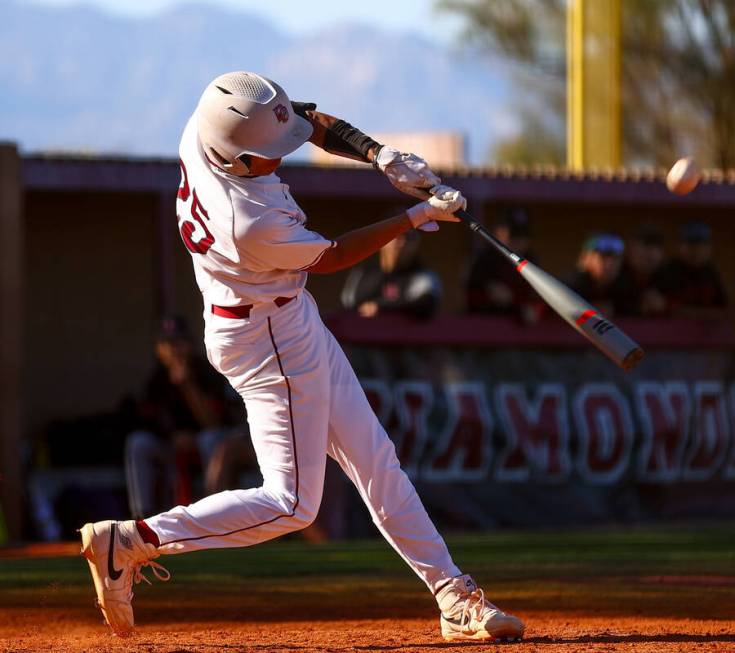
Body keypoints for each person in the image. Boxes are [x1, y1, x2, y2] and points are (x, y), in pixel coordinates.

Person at [79, 71, 524, 643]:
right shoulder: (247, 221)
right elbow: (335, 256)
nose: (280, 159)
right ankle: (138, 539)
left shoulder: (204, 128)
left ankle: (452, 595)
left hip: (284, 316)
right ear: (237, 160)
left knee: (375, 459)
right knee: (291, 504)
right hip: (265, 340)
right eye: (267, 155)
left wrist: (379, 155)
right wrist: (417, 217)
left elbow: (305, 117)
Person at [124, 316, 241, 518]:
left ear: (190, 344)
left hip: (205, 442)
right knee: (138, 443)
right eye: (168, 343)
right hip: (171, 444)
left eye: (179, 342)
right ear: (159, 349)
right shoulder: (156, 380)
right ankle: (141, 517)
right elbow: (147, 421)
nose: (174, 349)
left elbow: (214, 423)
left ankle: (212, 515)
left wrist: (188, 386)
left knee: (209, 440)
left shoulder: (208, 372)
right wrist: (172, 437)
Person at [340, 228, 443, 319]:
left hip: (407, 338)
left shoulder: (424, 275)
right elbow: (348, 303)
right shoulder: (363, 271)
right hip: (365, 338)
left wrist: (382, 306)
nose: (401, 243)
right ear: (382, 240)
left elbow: (426, 305)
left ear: (417, 244)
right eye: (396, 236)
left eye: (409, 237)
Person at [464, 207, 544, 323]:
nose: (519, 240)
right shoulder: (485, 259)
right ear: (498, 232)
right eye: (514, 235)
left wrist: (533, 308)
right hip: (487, 326)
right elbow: (469, 298)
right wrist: (488, 294)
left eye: (523, 235)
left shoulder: (530, 260)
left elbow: (538, 300)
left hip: (522, 330)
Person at [659, 220, 727, 318]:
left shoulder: (710, 273)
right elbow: (670, 310)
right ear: (680, 247)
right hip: (672, 331)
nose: (696, 251)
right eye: (691, 246)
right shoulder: (669, 271)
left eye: (701, 246)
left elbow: (723, 309)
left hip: (705, 332)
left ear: (709, 248)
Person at [567, 233, 628, 317]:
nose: (610, 263)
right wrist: (589, 312)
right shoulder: (570, 287)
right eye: (603, 257)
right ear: (585, 258)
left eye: (616, 258)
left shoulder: (627, 286)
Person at [617, 223, 669, 317]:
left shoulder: (669, 276)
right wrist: (638, 307)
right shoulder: (617, 275)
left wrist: (666, 306)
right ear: (630, 250)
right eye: (645, 246)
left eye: (656, 246)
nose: (651, 252)